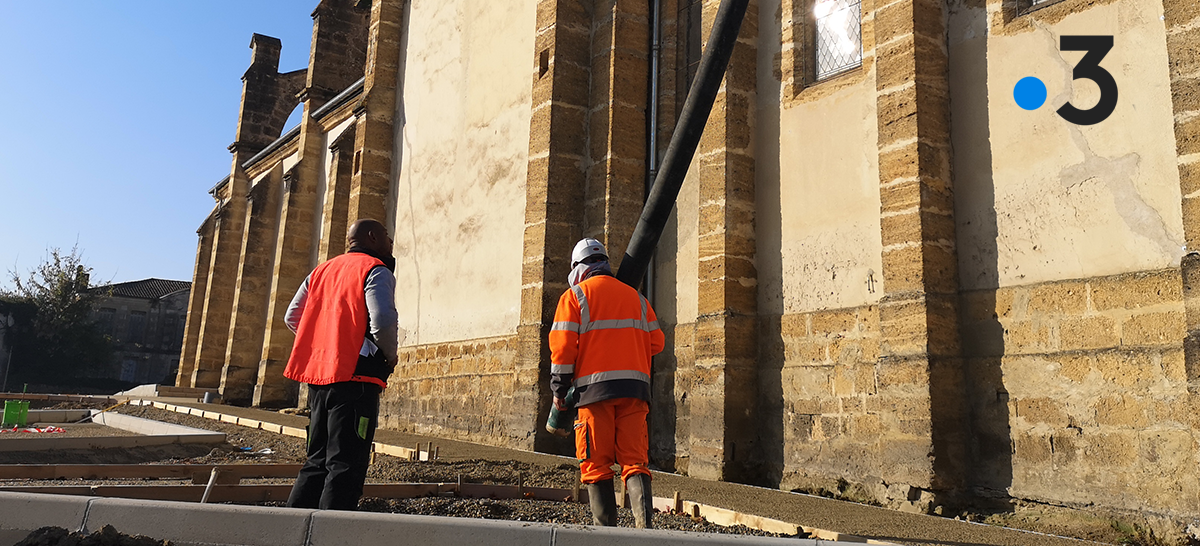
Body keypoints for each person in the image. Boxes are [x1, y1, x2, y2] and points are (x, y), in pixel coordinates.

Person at [282, 218, 399, 510]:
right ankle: (331, 533)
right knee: (346, 463)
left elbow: (292, 317)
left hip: (318, 379)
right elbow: (383, 320)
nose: (390, 242)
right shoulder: (375, 270)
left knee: (316, 459)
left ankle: (292, 529)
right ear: (372, 237)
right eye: (386, 236)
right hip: (355, 381)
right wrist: (389, 355)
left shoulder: (319, 272)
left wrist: (325, 341)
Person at [549, 238, 665, 528]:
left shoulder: (574, 297)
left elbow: (562, 352)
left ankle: (606, 534)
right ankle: (644, 531)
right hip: (635, 392)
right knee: (635, 462)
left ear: (577, 267)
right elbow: (656, 343)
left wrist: (559, 392)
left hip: (593, 394)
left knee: (595, 464)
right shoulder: (636, 297)